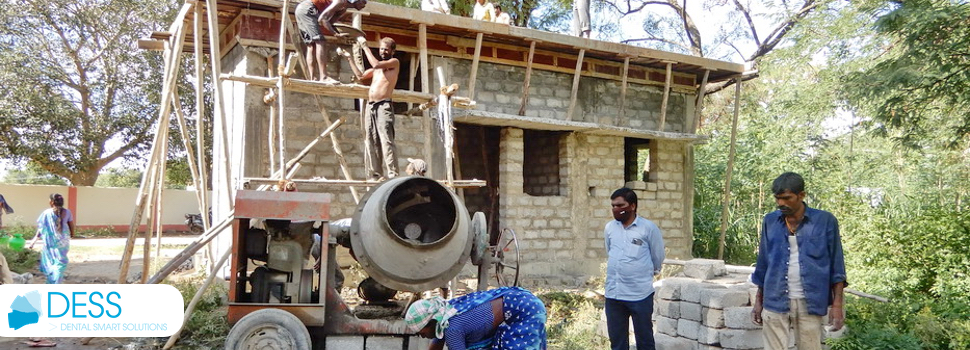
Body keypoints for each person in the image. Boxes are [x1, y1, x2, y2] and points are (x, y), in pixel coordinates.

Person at [751, 172, 847, 350]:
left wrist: (837, 305)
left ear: (801, 195)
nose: (781, 203)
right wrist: (758, 301)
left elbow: (837, 265)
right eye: (778, 198)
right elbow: (763, 263)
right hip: (775, 299)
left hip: (810, 301)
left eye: (787, 198)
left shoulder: (825, 221)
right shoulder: (770, 222)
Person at [604, 187, 665, 350]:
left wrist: (647, 272)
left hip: (640, 295)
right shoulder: (610, 228)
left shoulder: (648, 228)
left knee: (644, 341)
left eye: (620, 205)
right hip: (614, 294)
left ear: (632, 206)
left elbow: (657, 256)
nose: (616, 209)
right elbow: (610, 251)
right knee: (617, 343)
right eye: (613, 206)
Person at [406, 286, 547, 350]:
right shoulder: (445, 315)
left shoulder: (452, 329)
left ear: (431, 322)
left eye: (421, 332)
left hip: (523, 310)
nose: (422, 336)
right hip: (520, 300)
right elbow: (435, 346)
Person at [348, 36, 400, 181]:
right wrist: (349, 58)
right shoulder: (376, 70)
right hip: (371, 106)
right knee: (372, 139)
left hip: (383, 105)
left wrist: (365, 47)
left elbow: (376, 64)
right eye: (381, 49)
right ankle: (377, 174)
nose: (383, 51)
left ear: (392, 51)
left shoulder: (394, 63)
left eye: (386, 49)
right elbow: (360, 76)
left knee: (386, 139)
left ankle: (392, 173)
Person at [294, 0, 367, 83]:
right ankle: (324, 77)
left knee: (312, 44)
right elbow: (322, 19)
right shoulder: (340, 2)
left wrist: (339, 33)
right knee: (320, 42)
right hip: (308, 9)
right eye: (363, 2)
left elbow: (329, 22)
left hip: (303, 10)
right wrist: (335, 34)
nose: (364, 5)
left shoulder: (343, 9)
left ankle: (313, 78)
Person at [28, 193, 74, 284]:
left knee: (50, 262)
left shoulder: (46, 213)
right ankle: (56, 282)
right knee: (60, 263)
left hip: (50, 243)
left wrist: (34, 240)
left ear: (52, 202)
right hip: (63, 242)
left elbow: (41, 228)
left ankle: (52, 282)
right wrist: (72, 234)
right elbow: (71, 225)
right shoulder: (68, 212)